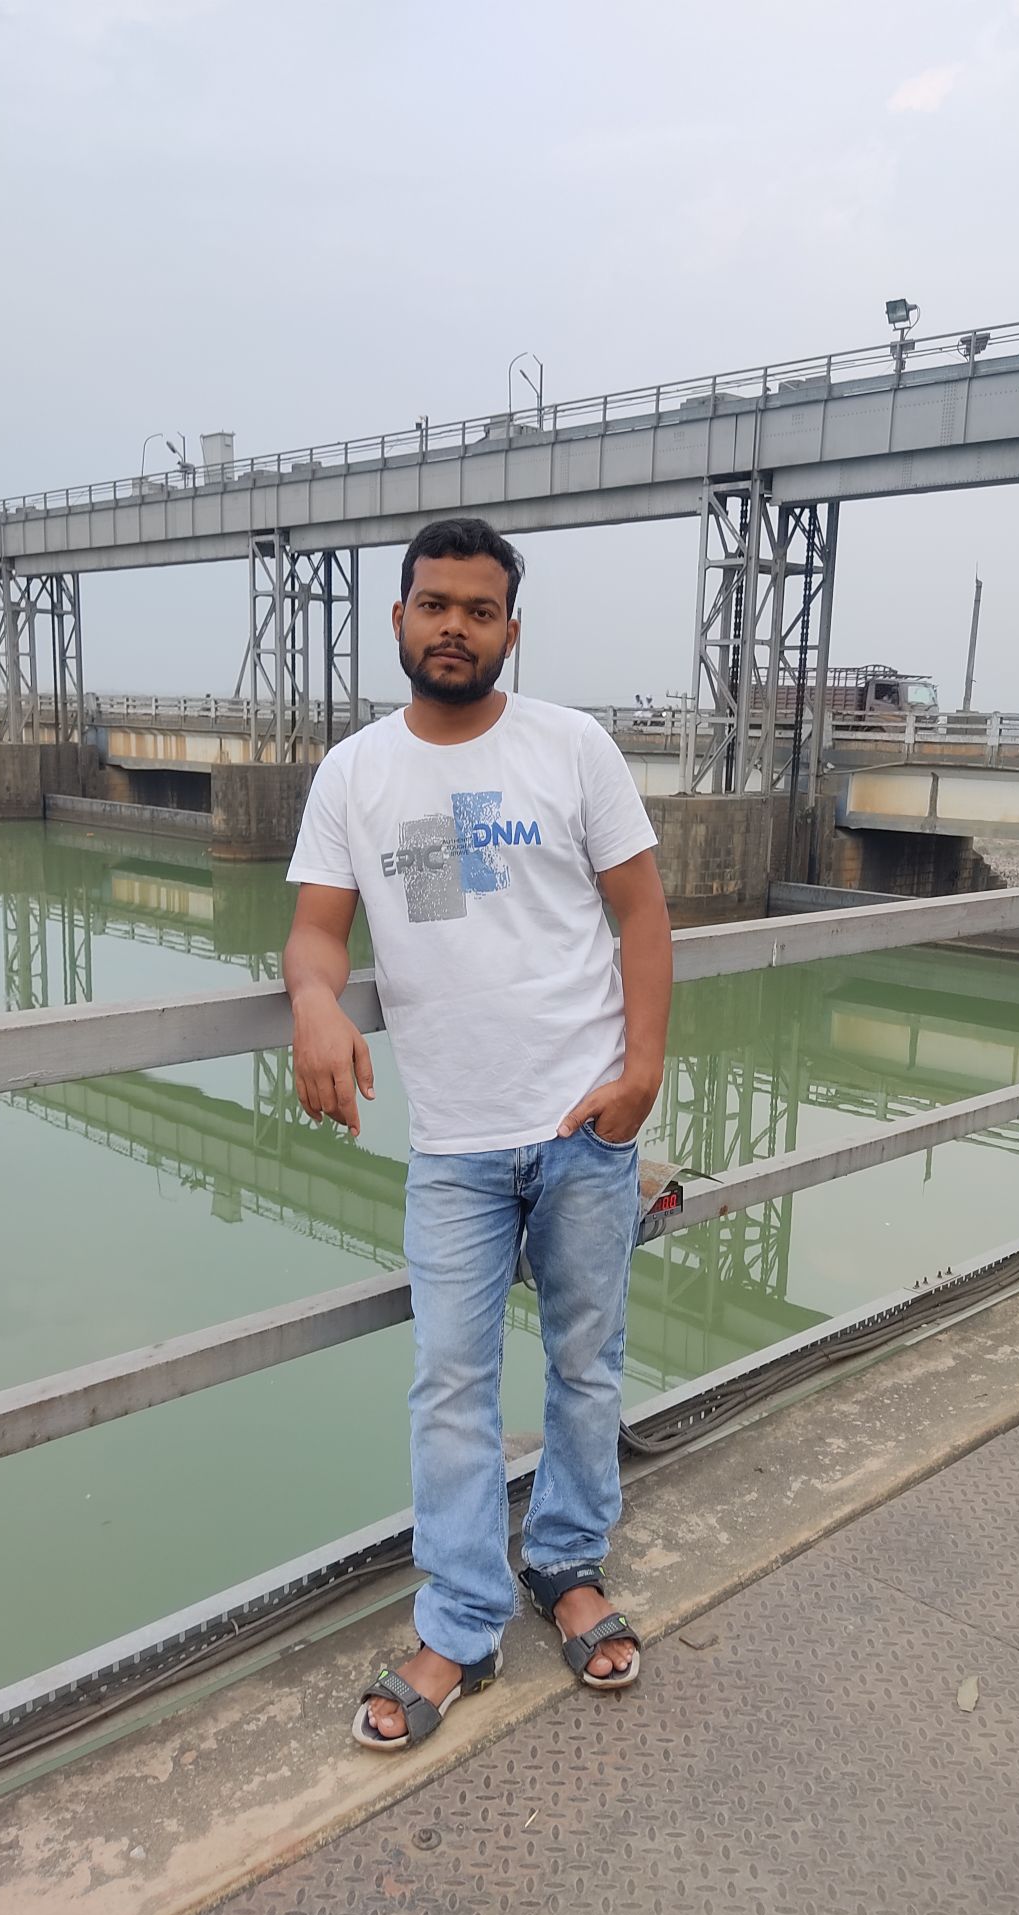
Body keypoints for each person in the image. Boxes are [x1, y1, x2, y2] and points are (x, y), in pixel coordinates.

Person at [282, 516, 673, 1751]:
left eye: (479, 608)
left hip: (581, 1124)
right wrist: (313, 1006)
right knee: (450, 1384)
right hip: (452, 1142)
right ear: (399, 618)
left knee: (585, 1364)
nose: (454, 625)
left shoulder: (572, 747)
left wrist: (641, 1073)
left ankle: (567, 1563)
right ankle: (460, 1619)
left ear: (511, 628)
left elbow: (643, 911)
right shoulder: (355, 773)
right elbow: (318, 930)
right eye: (434, 603)